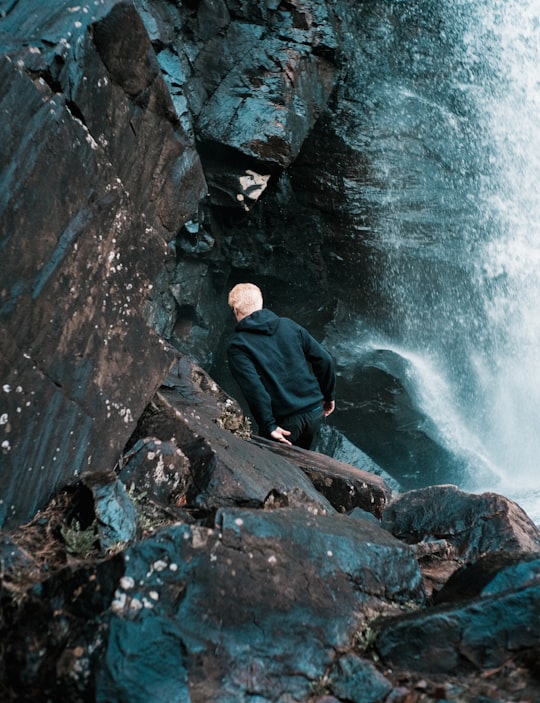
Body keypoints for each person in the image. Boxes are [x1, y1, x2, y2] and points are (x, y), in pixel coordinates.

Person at [226, 283, 336, 449]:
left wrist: (268, 424)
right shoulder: (289, 325)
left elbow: (254, 388)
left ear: (235, 310)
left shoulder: (238, 345)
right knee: (304, 470)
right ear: (260, 303)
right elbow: (324, 359)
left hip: (285, 424)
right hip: (314, 412)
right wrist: (328, 395)